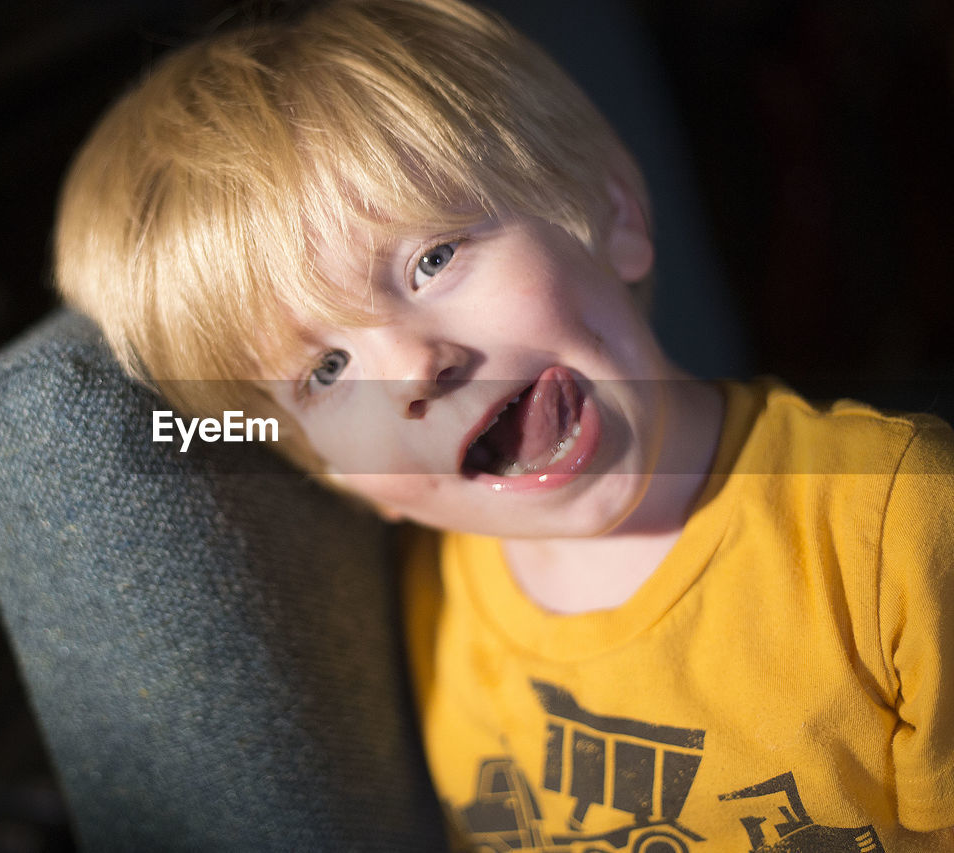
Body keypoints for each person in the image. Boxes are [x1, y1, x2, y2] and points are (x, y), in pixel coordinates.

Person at [53, 0, 954, 848]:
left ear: (614, 213)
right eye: (325, 371)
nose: (412, 367)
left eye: (431, 258)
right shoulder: (433, 602)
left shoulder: (898, 522)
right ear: (337, 476)